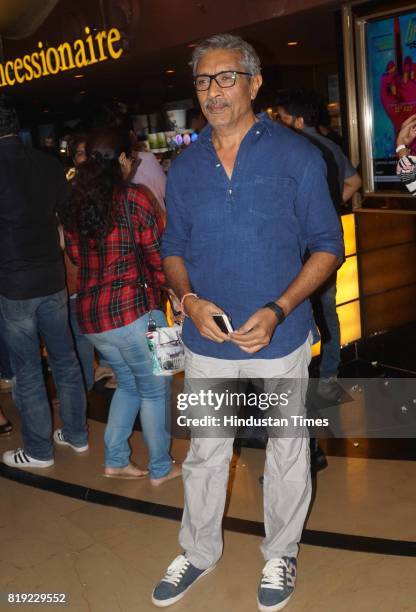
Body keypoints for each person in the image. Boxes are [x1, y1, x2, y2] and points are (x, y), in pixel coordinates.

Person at [152, 34, 344, 611]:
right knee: (207, 452)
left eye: (226, 77)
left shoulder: (298, 156)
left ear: (255, 82)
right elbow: (172, 246)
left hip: (281, 338)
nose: (213, 91)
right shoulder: (184, 168)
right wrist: (188, 299)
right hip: (207, 343)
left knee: (287, 450)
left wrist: (279, 308)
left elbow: (327, 246)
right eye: (204, 81)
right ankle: (199, 550)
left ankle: (281, 554)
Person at [62, 126, 180, 484]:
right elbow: (157, 256)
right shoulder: (135, 198)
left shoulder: (74, 202)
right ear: (123, 160)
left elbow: (77, 257)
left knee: (129, 384)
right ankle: (160, 467)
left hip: (92, 318)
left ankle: (115, 459)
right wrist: (174, 292)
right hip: (135, 311)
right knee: (156, 388)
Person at [0, 96, 88, 469]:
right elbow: (66, 217)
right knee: (66, 361)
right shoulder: (48, 163)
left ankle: (38, 450)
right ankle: (77, 434)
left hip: (14, 283)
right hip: (53, 278)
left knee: (28, 370)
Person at [276, 89, 361, 402]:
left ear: (297, 121)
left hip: (298, 247)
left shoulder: (288, 150)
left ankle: (294, 383)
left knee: (291, 308)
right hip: (327, 245)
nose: (278, 124)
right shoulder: (331, 147)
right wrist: (329, 208)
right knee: (327, 309)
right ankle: (328, 378)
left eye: (282, 118)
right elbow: (355, 183)